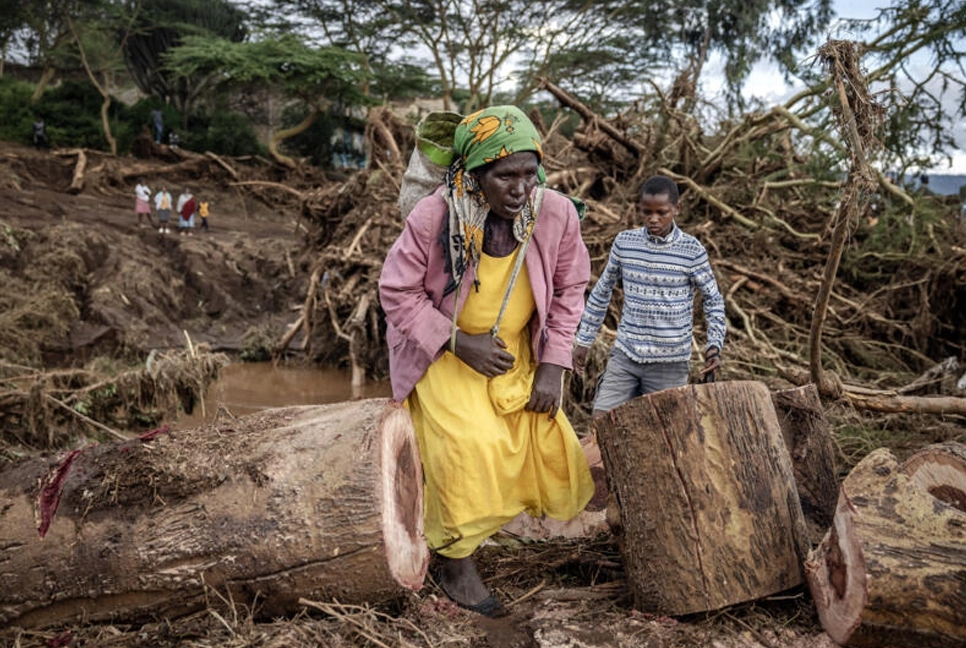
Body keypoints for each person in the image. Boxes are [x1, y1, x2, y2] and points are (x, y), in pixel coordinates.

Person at [379, 105, 594, 618]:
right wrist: (458, 342)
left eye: (528, 173)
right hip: (444, 353)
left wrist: (552, 363)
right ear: (475, 176)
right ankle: (455, 559)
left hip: (512, 349)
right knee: (465, 447)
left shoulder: (555, 213)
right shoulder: (436, 215)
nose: (519, 188)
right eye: (504, 176)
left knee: (540, 438)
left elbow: (569, 290)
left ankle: (475, 530)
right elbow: (398, 292)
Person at [572, 175, 726, 417]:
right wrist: (583, 340)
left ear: (677, 209)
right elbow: (602, 292)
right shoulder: (625, 243)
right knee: (603, 422)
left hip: (670, 364)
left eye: (661, 212)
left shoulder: (692, 251)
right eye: (647, 212)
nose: (653, 219)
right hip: (626, 355)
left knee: (667, 437)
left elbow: (713, 301)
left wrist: (714, 346)